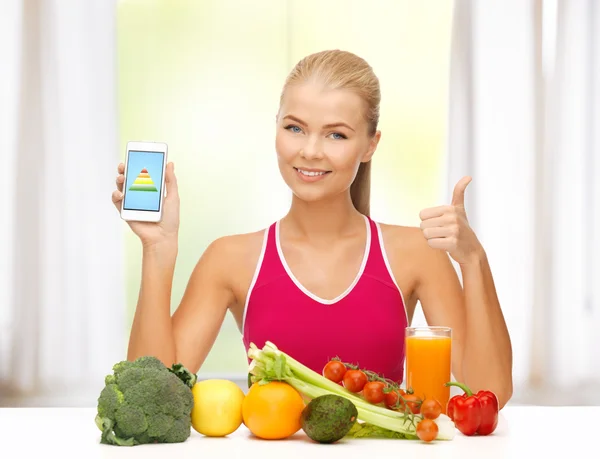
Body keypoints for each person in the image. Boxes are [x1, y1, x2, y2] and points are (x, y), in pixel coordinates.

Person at [111, 50, 513, 408]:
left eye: (336, 134)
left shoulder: (414, 254)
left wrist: (474, 260)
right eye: (295, 128)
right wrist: (158, 249)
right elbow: (151, 393)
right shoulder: (230, 259)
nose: (310, 150)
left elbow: (489, 390)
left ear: (370, 145)